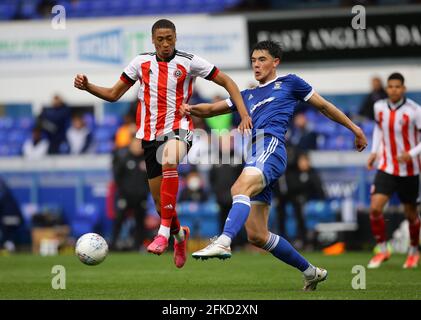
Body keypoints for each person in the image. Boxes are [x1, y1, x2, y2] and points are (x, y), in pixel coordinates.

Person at [180, 40, 367, 291]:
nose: (256, 65)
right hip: (255, 154)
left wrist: (355, 129)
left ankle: (224, 240)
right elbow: (212, 108)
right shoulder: (245, 95)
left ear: (275, 62)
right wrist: (189, 109)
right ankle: (311, 272)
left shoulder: (290, 83)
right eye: (254, 60)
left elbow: (324, 106)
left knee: (239, 189)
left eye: (262, 60)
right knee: (257, 234)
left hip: (271, 147)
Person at [74, 19, 252, 268]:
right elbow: (113, 95)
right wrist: (87, 86)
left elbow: (229, 83)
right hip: (148, 137)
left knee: (170, 158)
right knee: (160, 204)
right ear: (153, 40)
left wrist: (243, 114)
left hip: (180, 129)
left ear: (176, 38)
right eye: (160, 39)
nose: (165, 43)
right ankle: (180, 235)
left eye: (169, 38)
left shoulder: (189, 62)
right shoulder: (140, 63)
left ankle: (163, 234)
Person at [366, 72, 421, 269]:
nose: (394, 90)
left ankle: (414, 250)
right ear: (386, 88)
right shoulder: (379, 106)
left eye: (397, 86)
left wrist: (412, 153)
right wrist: (374, 152)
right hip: (387, 166)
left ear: (403, 89)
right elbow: (379, 129)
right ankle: (382, 249)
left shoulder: (415, 110)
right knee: (375, 208)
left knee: (411, 214)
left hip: (409, 169)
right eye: (390, 86)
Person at [276, 152, 325, 249]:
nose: (303, 163)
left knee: (300, 209)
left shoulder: (313, 174)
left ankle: (304, 239)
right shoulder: (294, 173)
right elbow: (290, 190)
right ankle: (284, 239)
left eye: (305, 161)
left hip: (310, 201)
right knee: (282, 210)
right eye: (301, 161)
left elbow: (319, 191)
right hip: (297, 199)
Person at [111, 138, 149, 251]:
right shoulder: (124, 159)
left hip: (141, 197)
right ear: (130, 146)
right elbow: (117, 177)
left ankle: (138, 246)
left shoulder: (146, 160)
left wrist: (145, 191)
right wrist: (123, 191)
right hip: (125, 196)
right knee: (119, 219)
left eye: (139, 145)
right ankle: (113, 244)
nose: (137, 147)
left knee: (140, 222)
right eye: (135, 145)